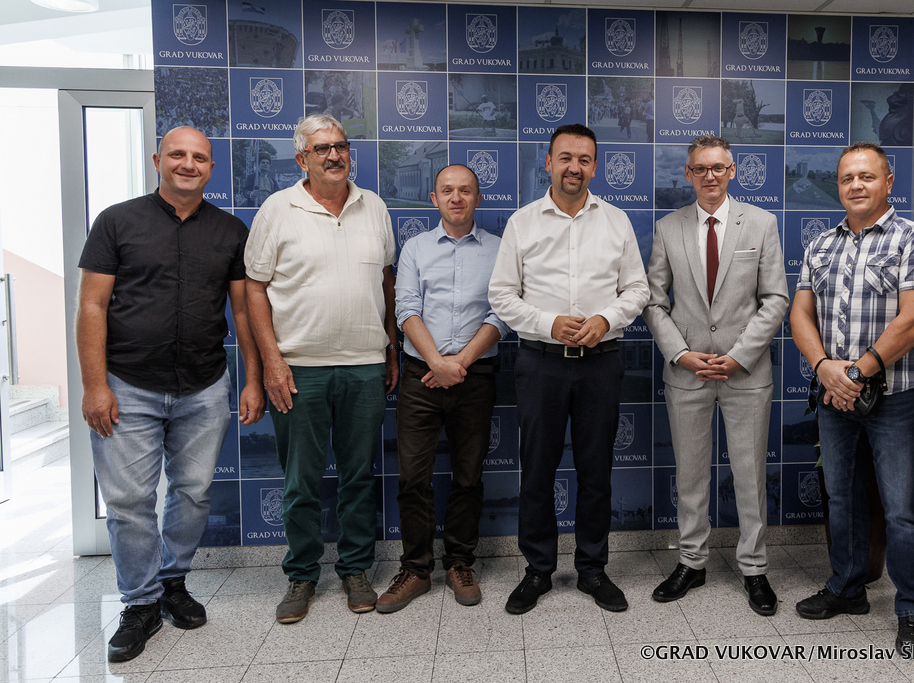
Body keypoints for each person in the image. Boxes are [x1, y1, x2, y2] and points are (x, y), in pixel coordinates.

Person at [77, 126, 265, 662]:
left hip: (204, 386)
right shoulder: (117, 221)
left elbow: (243, 312)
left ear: (211, 168)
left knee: (194, 492)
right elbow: (91, 305)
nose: (188, 164)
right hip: (127, 384)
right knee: (129, 502)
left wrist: (252, 378)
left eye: (199, 157)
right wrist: (94, 385)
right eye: (177, 155)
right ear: (158, 160)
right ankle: (140, 603)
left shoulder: (230, 231)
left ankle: (173, 582)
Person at [790, 142, 914, 656]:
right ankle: (848, 588)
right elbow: (800, 314)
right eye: (846, 178)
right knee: (842, 498)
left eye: (867, 176)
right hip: (835, 398)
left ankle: (912, 610)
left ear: (888, 182)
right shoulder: (821, 245)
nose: (856, 185)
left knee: (900, 508)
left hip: (893, 399)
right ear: (838, 186)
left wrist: (855, 373)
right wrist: (825, 369)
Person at [244, 114, 400, 623]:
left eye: (341, 146)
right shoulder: (277, 209)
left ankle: (355, 569)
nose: (334, 155)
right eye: (321, 148)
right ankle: (301, 576)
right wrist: (272, 361)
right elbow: (254, 288)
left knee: (359, 477)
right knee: (300, 482)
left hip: (364, 366)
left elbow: (386, 281)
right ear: (301, 159)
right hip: (299, 369)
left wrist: (391, 348)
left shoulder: (374, 206)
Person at [489, 123, 649, 614]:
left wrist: (606, 319)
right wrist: (548, 323)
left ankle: (592, 569)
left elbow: (637, 290)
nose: (574, 167)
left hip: (601, 363)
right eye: (565, 158)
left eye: (583, 159)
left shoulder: (617, 221)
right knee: (537, 471)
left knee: (596, 470)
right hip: (541, 364)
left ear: (594, 166)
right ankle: (537, 570)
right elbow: (501, 295)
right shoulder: (523, 222)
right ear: (549, 163)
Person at [643, 134, 789, 616]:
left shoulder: (762, 223)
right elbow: (654, 302)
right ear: (688, 174)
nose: (710, 176)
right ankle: (691, 561)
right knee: (690, 475)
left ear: (732, 171)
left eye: (718, 168)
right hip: (687, 374)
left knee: (749, 475)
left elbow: (776, 299)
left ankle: (755, 568)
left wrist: (740, 355)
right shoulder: (668, 228)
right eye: (700, 168)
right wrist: (681, 354)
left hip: (745, 373)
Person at [377, 165, 510, 613]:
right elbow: (406, 308)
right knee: (412, 477)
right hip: (421, 375)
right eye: (447, 190)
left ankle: (459, 563)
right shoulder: (415, 248)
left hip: (475, 376)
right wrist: (436, 362)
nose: (456, 198)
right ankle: (416, 569)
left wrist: (459, 364)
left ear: (478, 198)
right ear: (433, 199)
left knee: (468, 476)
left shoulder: (500, 249)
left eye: (465, 190)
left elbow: (501, 313)